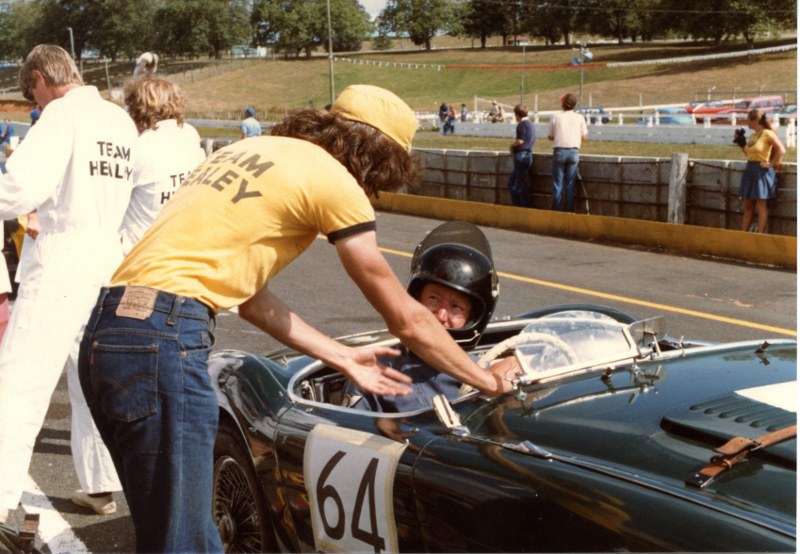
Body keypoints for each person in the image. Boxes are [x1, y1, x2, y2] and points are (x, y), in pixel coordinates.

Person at [78, 84, 513, 552]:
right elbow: (407, 318)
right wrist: (486, 381)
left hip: (109, 331)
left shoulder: (250, 149)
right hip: (164, 338)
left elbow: (252, 301)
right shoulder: (336, 182)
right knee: (181, 541)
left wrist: (342, 356)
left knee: (174, 530)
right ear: (380, 156)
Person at [0, 44, 138, 525]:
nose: (33, 104)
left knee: (19, 379)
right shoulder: (119, 120)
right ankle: (101, 483)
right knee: (93, 380)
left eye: (30, 93)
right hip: (110, 256)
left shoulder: (59, 116)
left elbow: (16, 189)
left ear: (40, 77)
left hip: (62, 253)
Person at [343, 220, 510, 412]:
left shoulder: (485, 371)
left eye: (456, 307)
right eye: (433, 298)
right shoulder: (376, 371)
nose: (440, 315)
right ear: (416, 299)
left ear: (471, 317)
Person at [120, 75, 205, 254]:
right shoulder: (190, 135)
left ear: (136, 109)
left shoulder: (137, 148)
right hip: (184, 246)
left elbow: (112, 202)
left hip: (142, 256)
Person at [736, 109, 785, 233]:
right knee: (748, 206)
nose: (746, 122)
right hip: (750, 170)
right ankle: (743, 234)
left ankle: (760, 235)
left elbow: (781, 150)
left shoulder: (767, 134)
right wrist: (741, 144)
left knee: (761, 206)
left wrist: (771, 164)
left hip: (761, 172)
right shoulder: (753, 136)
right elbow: (749, 154)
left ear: (755, 120)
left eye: (748, 119)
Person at [548, 92, 588, 212]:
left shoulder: (556, 117)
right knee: (570, 184)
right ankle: (569, 211)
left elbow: (550, 136)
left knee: (557, 184)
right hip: (574, 151)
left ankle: (556, 210)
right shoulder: (579, 117)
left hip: (559, 150)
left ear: (563, 104)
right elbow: (584, 137)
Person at [507, 104, 536, 207]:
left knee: (516, 184)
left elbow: (520, 140)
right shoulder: (531, 125)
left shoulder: (521, 125)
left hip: (521, 156)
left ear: (517, 115)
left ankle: (521, 207)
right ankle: (522, 206)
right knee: (517, 183)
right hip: (528, 156)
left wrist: (511, 146)